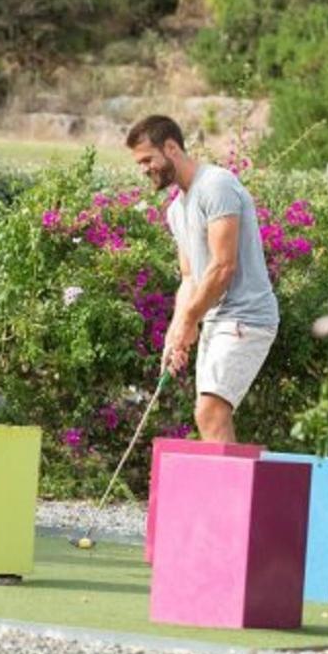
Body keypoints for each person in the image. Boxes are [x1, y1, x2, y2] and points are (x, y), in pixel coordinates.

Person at [126, 115, 279, 443]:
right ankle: (229, 493)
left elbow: (224, 267)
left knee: (210, 412)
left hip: (246, 317)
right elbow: (190, 277)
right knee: (208, 414)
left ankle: (229, 496)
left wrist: (191, 319)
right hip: (216, 320)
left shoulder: (216, 185)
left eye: (148, 159)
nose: (144, 169)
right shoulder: (176, 210)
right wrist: (176, 331)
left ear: (171, 148)